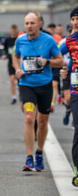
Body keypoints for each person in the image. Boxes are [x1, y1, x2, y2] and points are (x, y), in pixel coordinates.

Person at [12, 12, 63, 172]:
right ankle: (29, 157)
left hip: (45, 86)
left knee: (42, 121)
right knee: (29, 117)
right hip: (27, 85)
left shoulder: (48, 40)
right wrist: (17, 69)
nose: (29, 26)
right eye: (26, 23)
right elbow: (15, 56)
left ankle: (39, 152)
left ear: (39, 24)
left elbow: (61, 61)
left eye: (32, 23)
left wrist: (47, 61)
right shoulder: (20, 40)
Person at [60, 6, 78, 186]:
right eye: (73, 19)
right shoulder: (69, 40)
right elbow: (57, 56)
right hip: (76, 92)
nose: (75, 22)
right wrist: (64, 71)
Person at [59, 24, 73, 125]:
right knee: (68, 99)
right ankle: (69, 110)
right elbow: (57, 54)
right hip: (68, 72)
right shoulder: (65, 42)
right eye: (70, 32)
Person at [2, 24, 18, 104]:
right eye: (12, 30)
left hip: (19, 62)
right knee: (12, 79)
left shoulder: (19, 39)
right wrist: (4, 55)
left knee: (18, 80)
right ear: (10, 30)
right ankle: (14, 97)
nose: (13, 32)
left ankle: (22, 95)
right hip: (11, 62)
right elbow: (5, 50)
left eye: (14, 30)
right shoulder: (7, 40)